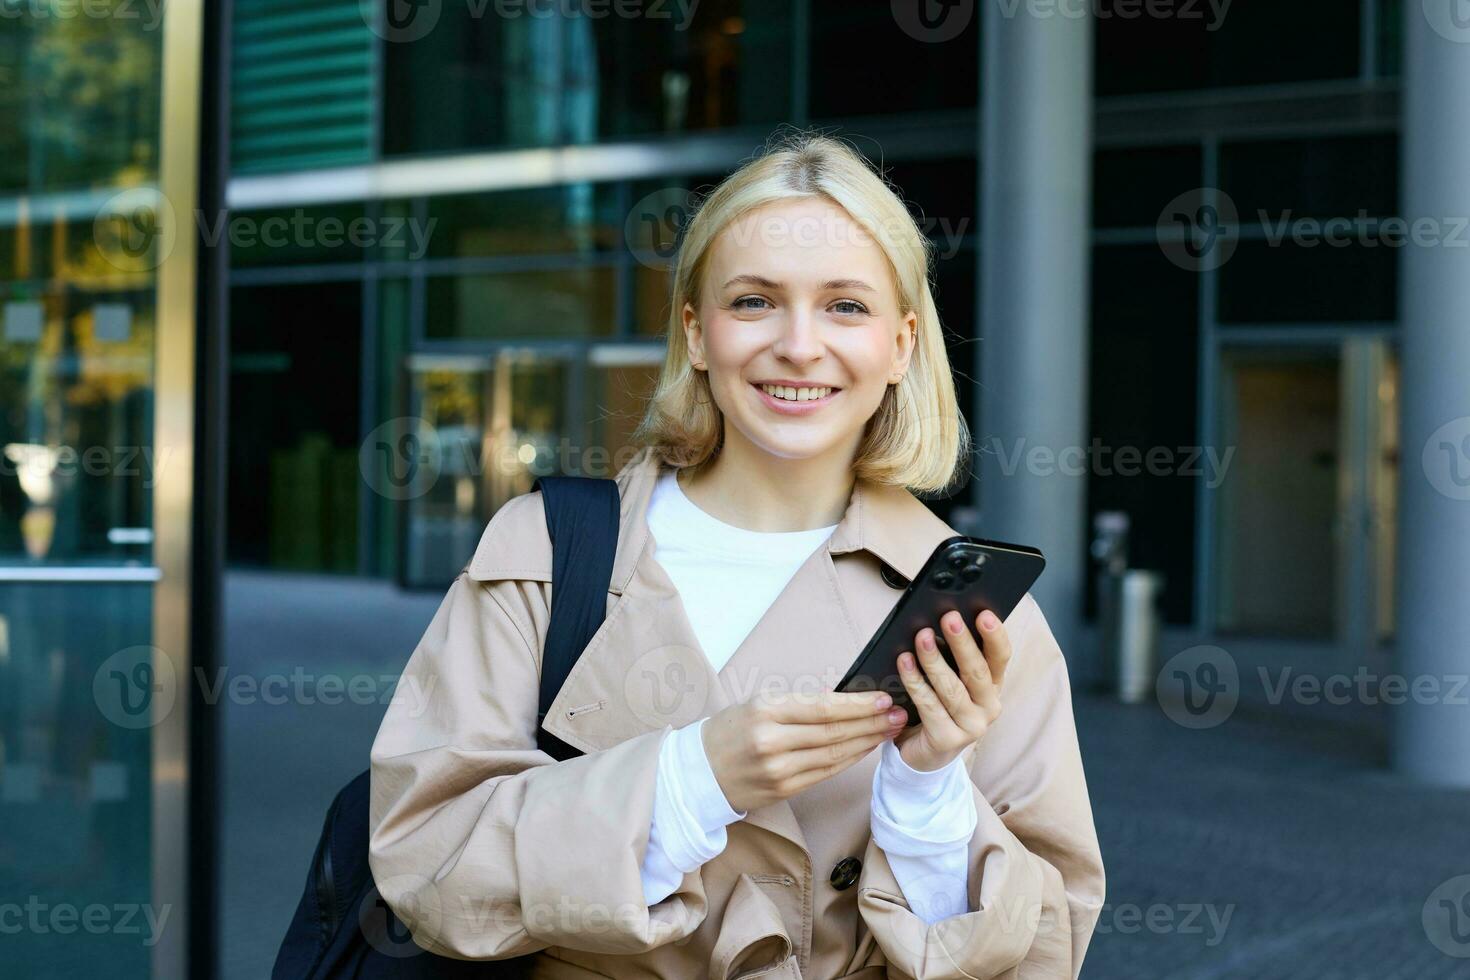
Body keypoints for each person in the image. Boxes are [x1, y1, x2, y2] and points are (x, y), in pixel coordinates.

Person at [368, 131, 1105, 979]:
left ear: (902, 345)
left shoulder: (979, 618)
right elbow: (425, 863)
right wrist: (691, 779)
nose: (798, 345)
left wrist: (929, 793)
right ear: (695, 331)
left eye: (846, 306)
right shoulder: (546, 549)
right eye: (754, 301)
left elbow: (1049, 946)